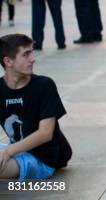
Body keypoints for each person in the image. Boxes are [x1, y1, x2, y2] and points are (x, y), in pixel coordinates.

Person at [0, 33, 72, 180]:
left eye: (31, 52)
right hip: (15, 150)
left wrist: (8, 151)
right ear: (8, 61)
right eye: (26, 54)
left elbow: (45, 133)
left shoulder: (44, 85)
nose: (33, 59)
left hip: (41, 159)